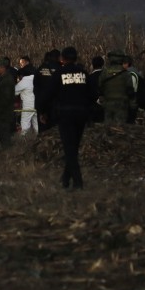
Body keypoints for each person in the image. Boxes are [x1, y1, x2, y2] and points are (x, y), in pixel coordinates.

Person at [40, 46, 96, 190]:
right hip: (81, 114)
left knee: (69, 148)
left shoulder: (59, 73)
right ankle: (65, 178)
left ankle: (77, 182)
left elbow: (47, 94)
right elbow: (93, 94)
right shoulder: (84, 74)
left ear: (62, 59)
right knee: (74, 147)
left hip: (65, 114)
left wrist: (43, 111)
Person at [99, 51, 134, 124]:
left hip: (108, 103)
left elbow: (100, 87)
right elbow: (130, 90)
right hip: (121, 104)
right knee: (120, 128)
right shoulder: (126, 73)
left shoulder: (105, 72)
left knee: (108, 127)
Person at [34, 49, 61, 132]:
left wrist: (40, 108)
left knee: (43, 130)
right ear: (59, 57)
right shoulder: (60, 69)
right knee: (56, 130)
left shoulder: (40, 69)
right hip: (57, 105)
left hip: (42, 104)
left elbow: (36, 88)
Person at [15, 63, 37, 135]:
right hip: (37, 104)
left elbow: (14, 91)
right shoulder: (36, 78)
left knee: (25, 123)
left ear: (21, 75)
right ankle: (39, 139)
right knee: (36, 124)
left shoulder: (25, 81)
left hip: (28, 105)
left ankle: (25, 140)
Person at [122, 55, 141, 124]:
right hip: (135, 100)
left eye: (123, 63)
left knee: (129, 121)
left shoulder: (130, 74)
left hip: (130, 102)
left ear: (127, 64)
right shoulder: (136, 72)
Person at [86, 56, 105, 124]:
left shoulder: (89, 77)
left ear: (92, 65)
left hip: (93, 108)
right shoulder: (107, 76)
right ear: (102, 64)